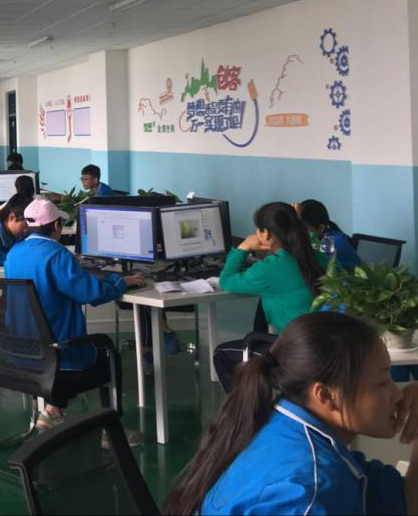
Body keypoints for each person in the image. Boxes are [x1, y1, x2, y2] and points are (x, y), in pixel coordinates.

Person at [164, 311, 418, 515]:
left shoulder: (288, 424)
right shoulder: (307, 491)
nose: (397, 394)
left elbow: (406, 501)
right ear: (326, 395)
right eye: (381, 383)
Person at [4, 199, 145, 429]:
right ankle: (112, 431)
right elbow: (92, 293)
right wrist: (121, 281)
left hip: (22, 350)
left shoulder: (13, 253)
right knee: (108, 352)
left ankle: (52, 410)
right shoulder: (57, 255)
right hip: (60, 352)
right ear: (56, 225)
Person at [213, 202, 324, 392]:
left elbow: (226, 281)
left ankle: (246, 410)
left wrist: (244, 247)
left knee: (222, 353)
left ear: (266, 234)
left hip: (293, 351)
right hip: (325, 347)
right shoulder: (318, 257)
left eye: (258, 229)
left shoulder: (270, 268)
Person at [296, 199, 362, 271]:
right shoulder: (330, 235)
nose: (300, 232)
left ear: (321, 228)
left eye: (304, 228)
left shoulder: (332, 241)